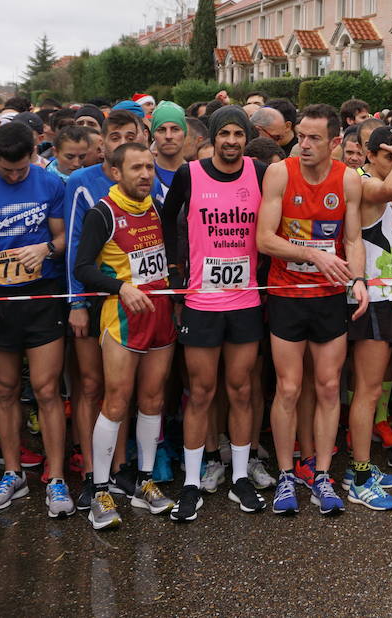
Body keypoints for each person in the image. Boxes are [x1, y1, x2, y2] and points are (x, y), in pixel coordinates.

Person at [0, 122, 73, 516]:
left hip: (41, 296)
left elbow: (64, 239)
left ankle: (56, 478)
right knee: (4, 389)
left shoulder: (49, 183)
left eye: (22, 169)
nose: (16, 176)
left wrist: (46, 249)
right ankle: (12, 472)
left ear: (33, 155)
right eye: (8, 170)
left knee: (46, 389)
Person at [257, 104, 369, 515]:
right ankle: (286, 475)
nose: (303, 144)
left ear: (334, 142)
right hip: (287, 293)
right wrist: (312, 254)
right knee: (288, 388)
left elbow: (352, 239)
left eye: (313, 138)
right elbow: (264, 239)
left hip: (328, 297)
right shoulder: (280, 173)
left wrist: (359, 280)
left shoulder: (349, 179)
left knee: (327, 386)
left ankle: (322, 475)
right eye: (301, 136)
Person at [162, 105, 271, 520]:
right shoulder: (189, 174)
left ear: (246, 138)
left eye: (238, 134)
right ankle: (191, 483)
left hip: (245, 301)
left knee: (241, 390)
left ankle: (240, 477)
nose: (231, 141)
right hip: (201, 301)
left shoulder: (259, 173)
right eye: (224, 134)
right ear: (212, 137)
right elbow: (168, 220)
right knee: (202, 392)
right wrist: (177, 273)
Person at [73, 143, 177, 529]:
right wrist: (120, 287)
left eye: (149, 167)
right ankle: (100, 491)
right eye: (136, 168)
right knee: (116, 401)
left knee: (153, 399)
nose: (145, 174)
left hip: (160, 312)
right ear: (116, 173)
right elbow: (82, 268)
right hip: (122, 315)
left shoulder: (157, 207)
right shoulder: (102, 212)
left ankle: (145, 482)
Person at [63, 109, 145, 509]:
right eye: (115, 137)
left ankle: (120, 466)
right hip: (94, 298)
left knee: (121, 387)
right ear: (103, 143)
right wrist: (77, 301)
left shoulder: (147, 180)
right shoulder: (81, 182)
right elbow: (74, 245)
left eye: (131, 135)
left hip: (131, 298)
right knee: (91, 385)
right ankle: (89, 472)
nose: (122, 142)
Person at [345, 126, 392, 510]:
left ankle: (361, 469)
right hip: (367, 300)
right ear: (370, 155)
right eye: (387, 155)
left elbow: (389, 243)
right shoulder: (366, 183)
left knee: (370, 388)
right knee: (368, 390)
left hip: (386, 295)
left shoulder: (391, 187)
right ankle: (358, 476)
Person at [149, 101, 187, 203]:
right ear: (153, 135)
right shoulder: (145, 175)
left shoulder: (198, 174)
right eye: (161, 130)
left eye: (175, 129)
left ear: (184, 133)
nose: (168, 136)